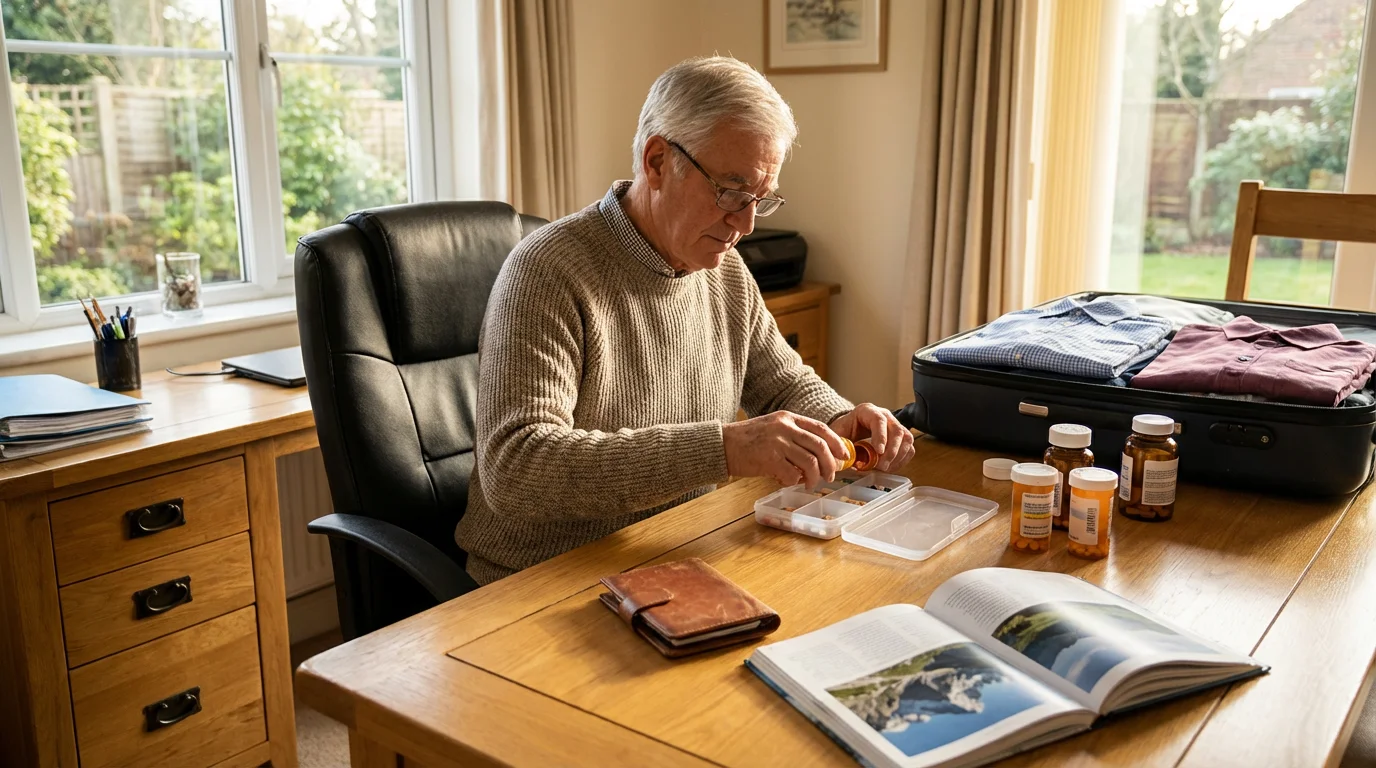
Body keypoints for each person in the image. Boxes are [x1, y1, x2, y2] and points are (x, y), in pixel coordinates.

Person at [455, 56, 916, 585]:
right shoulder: (547, 272)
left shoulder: (725, 270)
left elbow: (783, 382)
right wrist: (723, 449)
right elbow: (517, 470)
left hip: (678, 550)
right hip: (542, 581)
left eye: (759, 200)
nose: (744, 224)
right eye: (730, 193)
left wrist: (838, 420)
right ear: (656, 161)